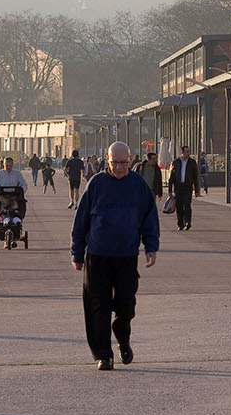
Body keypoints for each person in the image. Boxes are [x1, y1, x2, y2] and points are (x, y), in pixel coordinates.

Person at [71, 141, 159, 371]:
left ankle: (122, 335)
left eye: (124, 162)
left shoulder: (138, 185)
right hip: (97, 255)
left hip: (126, 255)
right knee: (97, 306)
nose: (119, 167)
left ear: (130, 160)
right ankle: (103, 355)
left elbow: (150, 219)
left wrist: (151, 247)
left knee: (126, 304)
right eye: (114, 163)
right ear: (107, 160)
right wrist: (77, 252)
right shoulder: (97, 184)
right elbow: (81, 221)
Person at [168, 146, 200, 231]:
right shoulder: (176, 162)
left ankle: (188, 222)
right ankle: (180, 224)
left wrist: (197, 190)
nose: (188, 153)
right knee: (179, 206)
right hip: (178, 187)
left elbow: (195, 177)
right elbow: (171, 177)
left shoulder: (192, 163)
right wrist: (170, 190)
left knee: (187, 205)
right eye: (186, 152)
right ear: (182, 152)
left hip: (187, 187)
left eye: (189, 152)